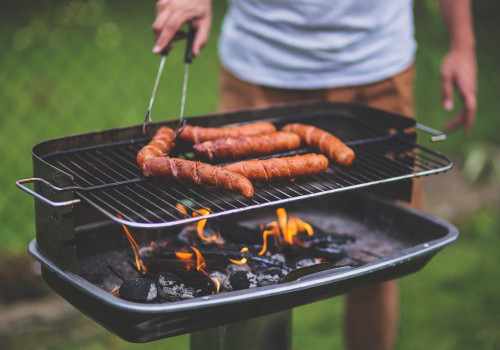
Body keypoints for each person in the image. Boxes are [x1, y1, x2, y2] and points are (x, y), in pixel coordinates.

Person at [152, 1, 476, 349]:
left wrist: (462, 45)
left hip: (376, 66)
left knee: (380, 262)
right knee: (237, 264)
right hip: (260, 64)